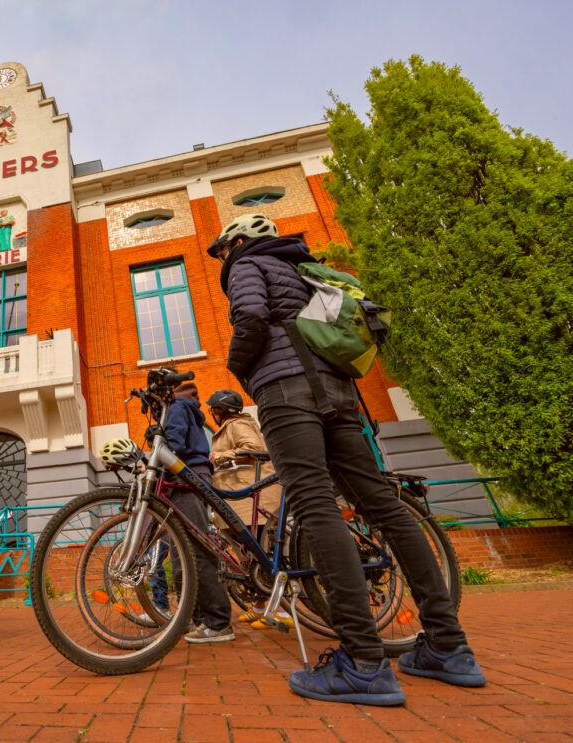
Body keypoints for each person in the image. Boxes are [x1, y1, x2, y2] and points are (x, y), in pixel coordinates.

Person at [208, 213, 485, 705]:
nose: (224, 260)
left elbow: (250, 319)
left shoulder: (248, 264)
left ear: (239, 241)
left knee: (314, 505)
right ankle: (449, 645)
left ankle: (363, 662)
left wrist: (238, 366)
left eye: (224, 250)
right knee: (382, 504)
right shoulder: (304, 268)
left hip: (287, 393)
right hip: (339, 393)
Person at [206, 389, 289, 630]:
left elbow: (253, 448)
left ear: (220, 410)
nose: (212, 413)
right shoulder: (230, 426)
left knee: (261, 554)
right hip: (241, 499)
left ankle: (280, 611)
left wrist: (221, 455)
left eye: (214, 409)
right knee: (249, 556)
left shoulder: (236, 424)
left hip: (254, 497)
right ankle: (260, 606)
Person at [162, 382, 234, 644]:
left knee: (195, 550)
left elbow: (173, 444)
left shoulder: (177, 406)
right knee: (182, 553)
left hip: (186, 477)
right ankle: (197, 619)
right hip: (183, 477)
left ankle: (217, 621)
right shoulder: (179, 407)